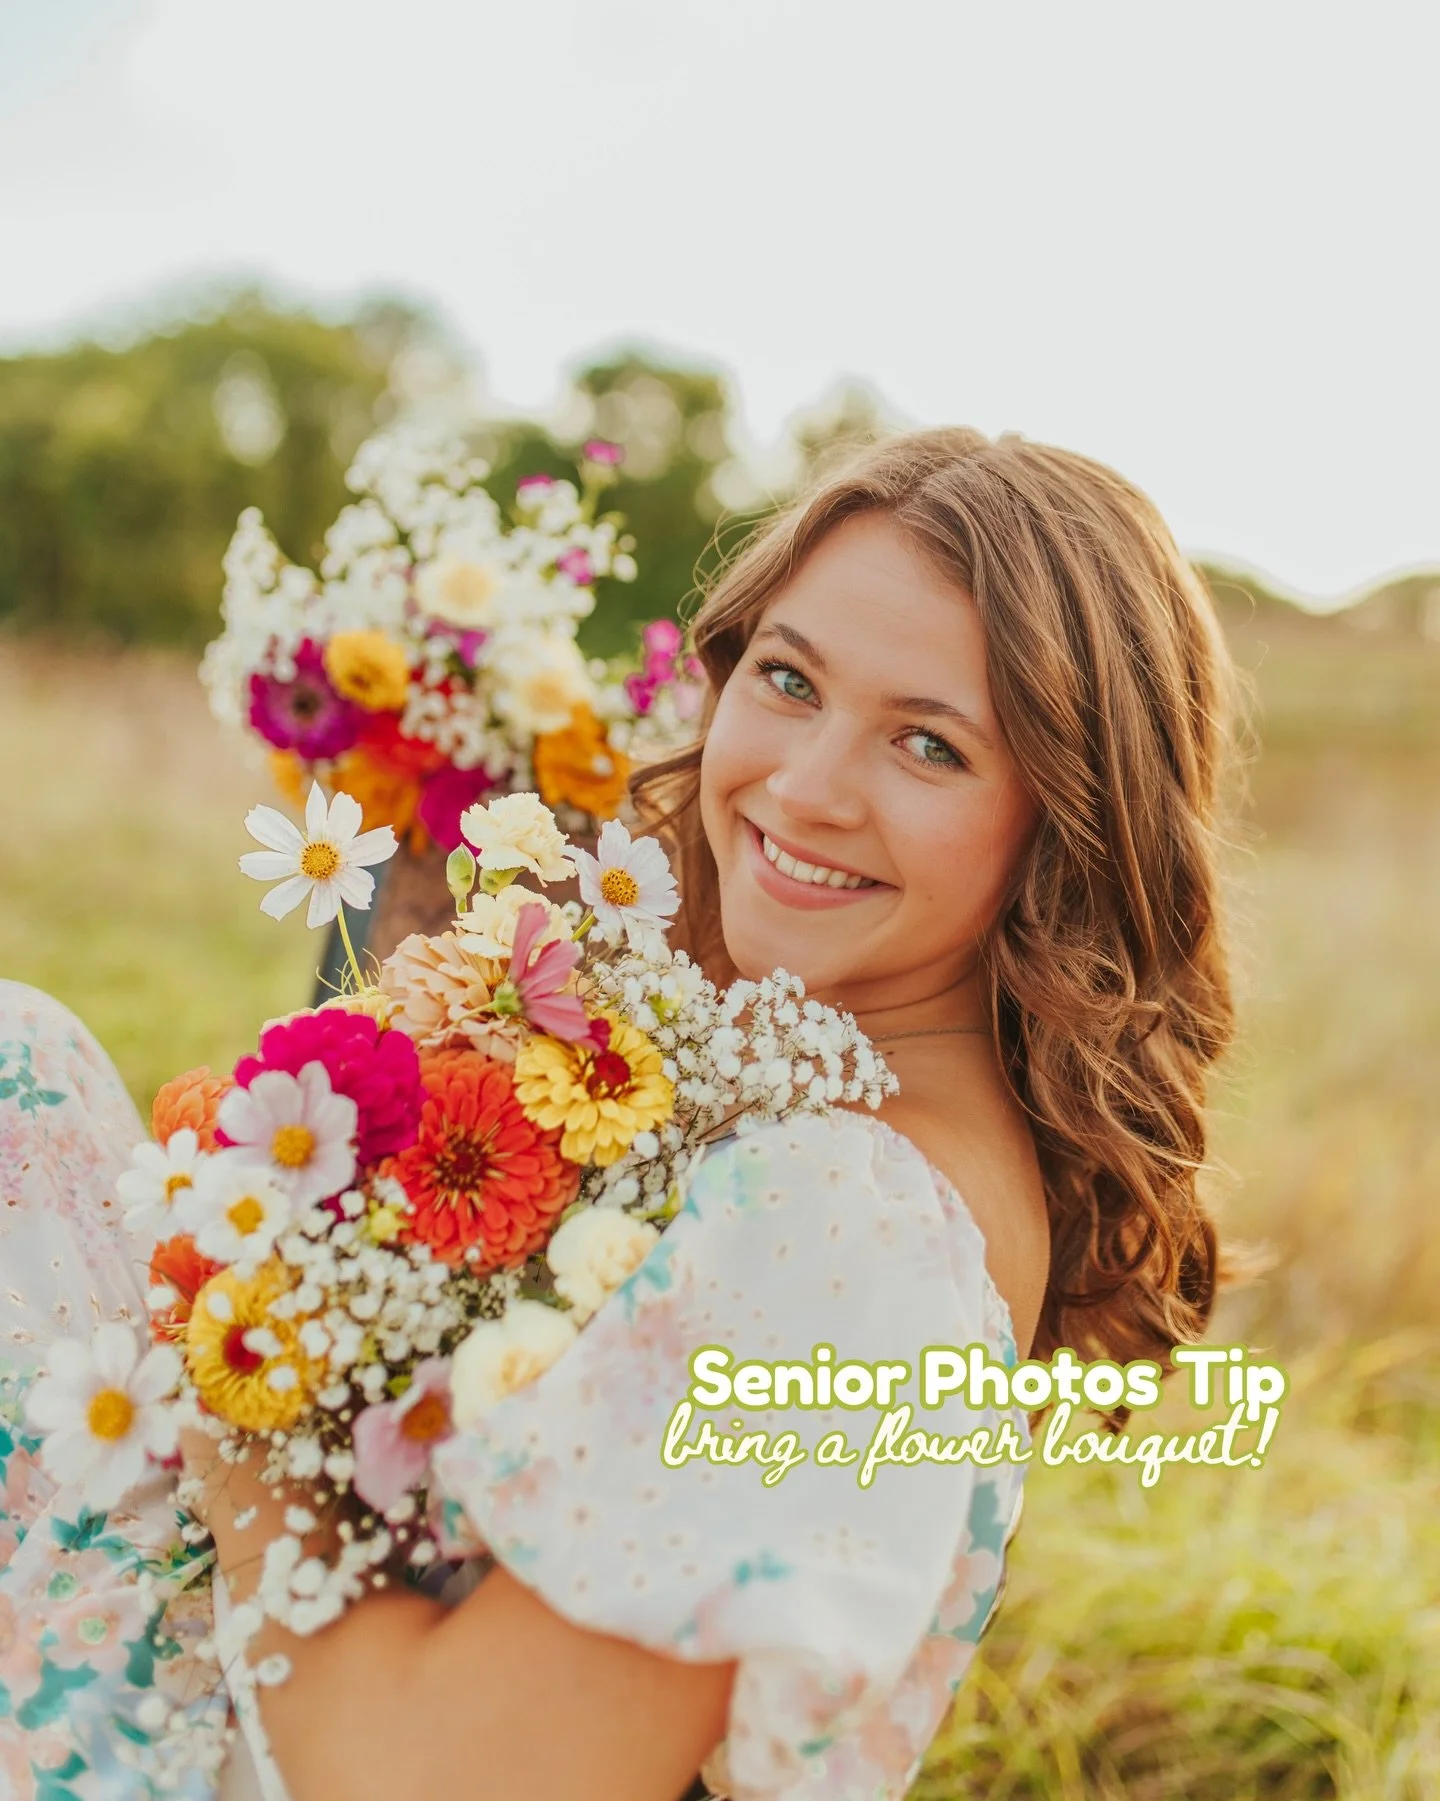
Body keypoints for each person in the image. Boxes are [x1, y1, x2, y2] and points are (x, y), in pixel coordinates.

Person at [0, 425, 1243, 1800]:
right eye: (788, 678)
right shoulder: (820, 1089)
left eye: (929, 746)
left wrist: (240, 1367)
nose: (804, 787)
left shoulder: (848, 1221)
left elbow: (425, 1782)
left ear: (1067, 816)